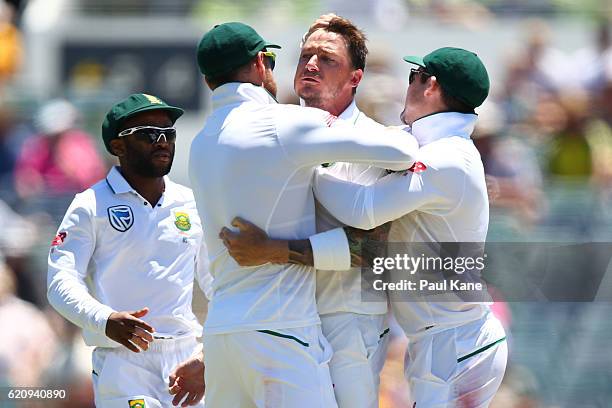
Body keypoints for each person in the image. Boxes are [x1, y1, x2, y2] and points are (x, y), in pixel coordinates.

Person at [223, 47, 508, 407]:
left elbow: (363, 211)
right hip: (443, 340)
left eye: (413, 77)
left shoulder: (447, 157)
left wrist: (306, 166)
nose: (408, 87)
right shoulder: (433, 146)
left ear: (431, 85)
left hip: (456, 342)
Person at [186, 22, 419, 408]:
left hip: (349, 325)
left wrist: (277, 250)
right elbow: (217, 248)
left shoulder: (376, 141)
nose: (311, 64)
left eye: (327, 58)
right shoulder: (272, 129)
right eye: (305, 55)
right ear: (260, 65)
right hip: (279, 327)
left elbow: (374, 250)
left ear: (355, 77)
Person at [47, 93, 208, 408]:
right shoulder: (90, 205)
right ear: (117, 146)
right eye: (149, 133)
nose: (162, 141)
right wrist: (104, 319)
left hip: (187, 361)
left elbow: (221, 285)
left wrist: (207, 356)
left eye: (168, 134)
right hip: (123, 362)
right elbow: (60, 282)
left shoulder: (190, 202)